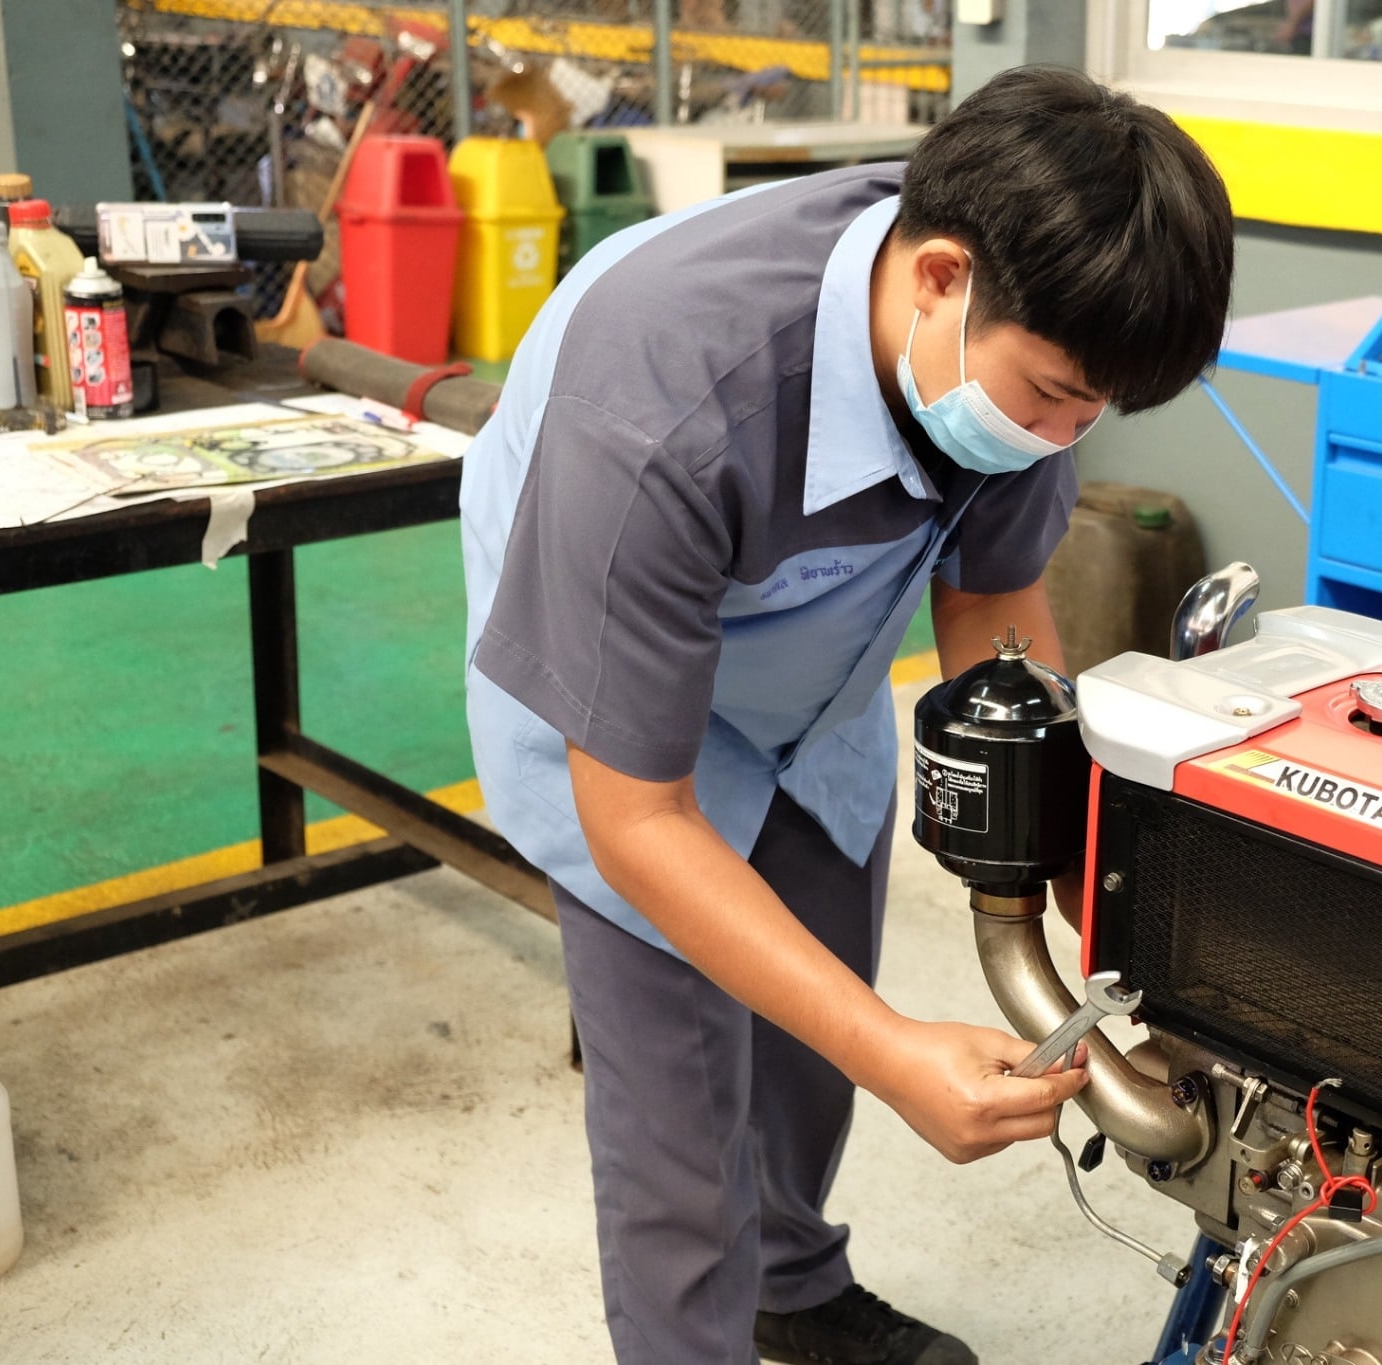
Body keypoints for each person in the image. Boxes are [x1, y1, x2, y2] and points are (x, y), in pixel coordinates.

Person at [459, 64, 1233, 1365]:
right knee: (684, 1139)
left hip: (817, 681)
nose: (1065, 431)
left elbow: (996, 629)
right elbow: (639, 816)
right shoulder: (662, 402)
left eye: (1094, 411)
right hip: (622, 714)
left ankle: (795, 1289)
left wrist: (1107, 927)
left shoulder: (1022, 353)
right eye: (1050, 395)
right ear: (937, 279)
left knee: (810, 1043)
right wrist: (897, 1054)